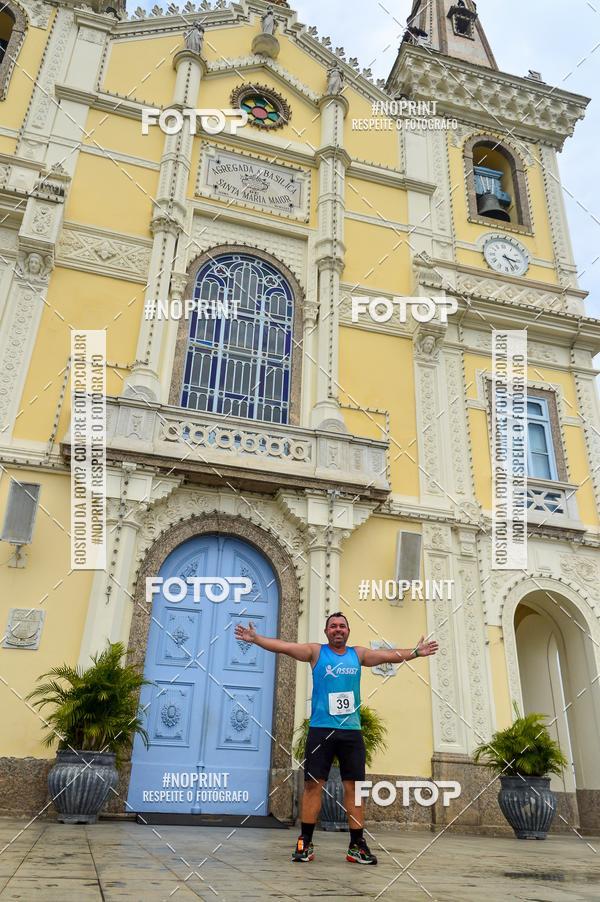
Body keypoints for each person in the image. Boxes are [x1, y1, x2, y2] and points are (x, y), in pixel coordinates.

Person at [234, 612, 439, 865]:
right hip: (321, 730)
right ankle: (305, 842)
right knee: (313, 786)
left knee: (355, 788)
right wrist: (256, 639)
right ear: (326, 632)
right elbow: (285, 647)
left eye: (342, 626)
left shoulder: (358, 654)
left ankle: (357, 845)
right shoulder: (315, 652)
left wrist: (416, 653)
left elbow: (388, 655)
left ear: (348, 631)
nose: (338, 629)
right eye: (333, 626)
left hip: (351, 732)